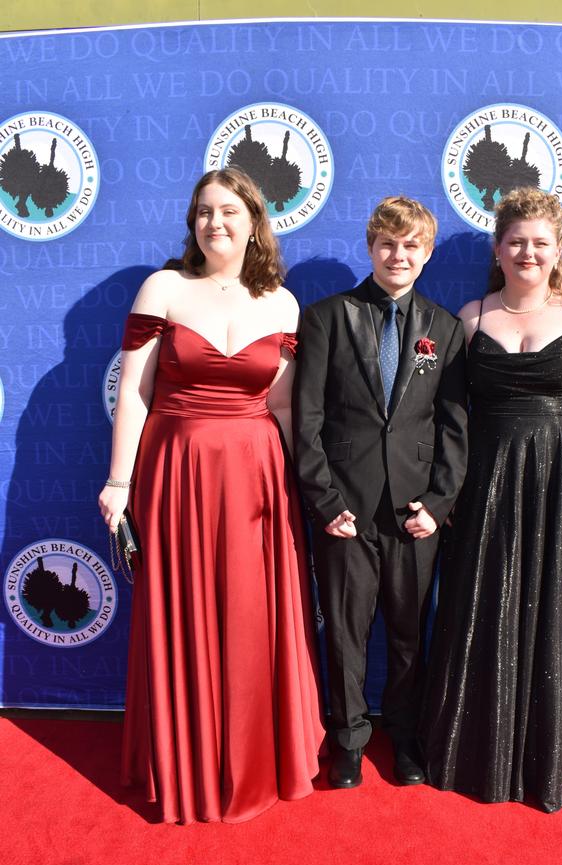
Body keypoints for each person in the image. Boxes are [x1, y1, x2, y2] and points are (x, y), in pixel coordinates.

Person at [98, 168, 324, 824]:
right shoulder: (163, 288)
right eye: (203, 211)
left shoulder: (283, 303)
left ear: (255, 220)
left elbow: (281, 405)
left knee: (252, 619)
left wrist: (304, 487)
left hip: (258, 476)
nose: (214, 222)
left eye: (229, 210)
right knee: (183, 613)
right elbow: (136, 396)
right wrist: (119, 482)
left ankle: (251, 762)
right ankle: (185, 765)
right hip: (177, 472)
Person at [419, 187, 562, 813]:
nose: (528, 251)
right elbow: (448, 416)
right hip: (488, 480)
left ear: (558, 249)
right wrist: (444, 490)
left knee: (557, 601)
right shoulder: (471, 316)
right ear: (497, 249)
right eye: (516, 242)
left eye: (540, 242)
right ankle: (480, 745)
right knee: (486, 599)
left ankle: (549, 750)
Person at [293, 196, 468, 789]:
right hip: (345, 510)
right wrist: (323, 501)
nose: (399, 255)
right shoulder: (326, 318)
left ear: (425, 254)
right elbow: (306, 420)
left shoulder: (445, 329)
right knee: (344, 633)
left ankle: (406, 737)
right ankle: (346, 743)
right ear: (370, 247)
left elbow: (453, 427)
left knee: (409, 634)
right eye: (388, 244)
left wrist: (439, 504)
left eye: (411, 245)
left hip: (415, 513)